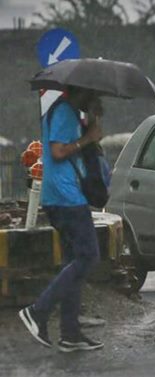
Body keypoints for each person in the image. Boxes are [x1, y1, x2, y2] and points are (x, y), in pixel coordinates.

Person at [18, 86, 105, 352]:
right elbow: (57, 151)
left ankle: (70, 333)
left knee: (73, 261)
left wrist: (91, 120)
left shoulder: (65, 111)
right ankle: (38, 311)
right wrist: (88, 138)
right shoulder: (65, 111)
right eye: (93, 93)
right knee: (88, 256)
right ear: (83, 91)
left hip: (61, 194)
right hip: (65, 196)